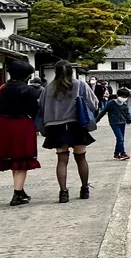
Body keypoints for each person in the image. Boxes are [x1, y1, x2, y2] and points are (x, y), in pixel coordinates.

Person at [39, 61, 99, 203]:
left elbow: (41, 108)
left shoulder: (48, 88)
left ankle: (63, 193)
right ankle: (84, 189)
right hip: (75, 125)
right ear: (72, 71)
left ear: (56, 71)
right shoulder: (80, 85)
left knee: (62, 159)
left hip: (55, 127)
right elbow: (94, 104)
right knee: (81, 158)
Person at [1, 60, 42, 206]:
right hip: (22, 124)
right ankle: (17, 194)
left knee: (13, 159)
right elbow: (34, 109)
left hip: (4, 125)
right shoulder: (29, 90)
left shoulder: (3, 88)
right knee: (22, 160)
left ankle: (20, 189)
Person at [96, 88, 131, 160]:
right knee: (120, 138)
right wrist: (96, 121)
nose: (124, 99)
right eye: (122, 97)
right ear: (118, 95)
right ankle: (122, 153)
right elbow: (103, 112)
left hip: (122, 123)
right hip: (114, 122)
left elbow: (127, 114)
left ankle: (118, 153)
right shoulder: (111, 103)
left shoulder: (124, 105)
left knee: (121, 138)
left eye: (125, 97)